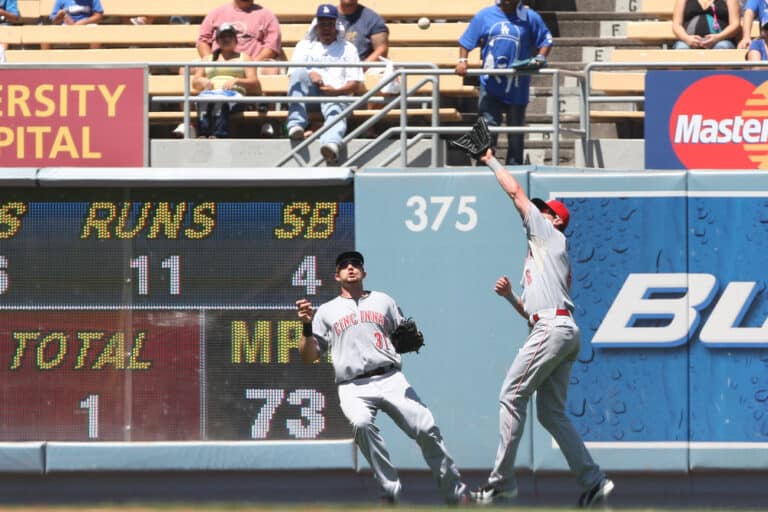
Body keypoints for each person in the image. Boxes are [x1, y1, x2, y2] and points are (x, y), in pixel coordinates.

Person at [452, 127, 614, 507]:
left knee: (510, 395)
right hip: (559, 328)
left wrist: (489, 158)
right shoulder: (539, 258)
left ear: (555, 220)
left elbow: (516, 194)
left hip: (554, 328)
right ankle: (593, 482)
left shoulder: (549, 235)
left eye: (545, 211)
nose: (537, 213)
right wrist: (511, 297)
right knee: (551, 414)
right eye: (540, 211)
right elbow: (530, 313)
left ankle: (501, 483)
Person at [296, 251, 469, 505]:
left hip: (390, 378)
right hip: (352, 385)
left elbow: (404, 335)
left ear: (364, 273)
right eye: (344, 266)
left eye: (356, 264)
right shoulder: (326, 311)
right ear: (337, 275)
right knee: (362, 424)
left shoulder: (383, 300)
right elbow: (308, 356)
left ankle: (455, 493)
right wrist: (307, 326)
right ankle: (390, 491)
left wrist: (409, 337)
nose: (351, 268)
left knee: (426, 428)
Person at [455, 0, 553, 166]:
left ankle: (515, 170)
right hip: (490, 85)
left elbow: (546, 40)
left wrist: (540, 58)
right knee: (487, 129)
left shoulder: (530, 17)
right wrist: (463, 60)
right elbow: (466, 41)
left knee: (516, 134)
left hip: (518, 86)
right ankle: (483, 170)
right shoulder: (485, 15)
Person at [286, 4, 363, 165]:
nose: (326, 28)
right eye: (322, 24)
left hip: (337, 96)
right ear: (316, 25)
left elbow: (355, 83)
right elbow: (293, 75)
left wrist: (335, 91)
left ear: (336, 25)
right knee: (299, 73)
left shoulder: (348, 49)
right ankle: (296, 125)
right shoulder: (304, 46)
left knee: (336, 104)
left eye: (329, 24)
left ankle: (331, 144)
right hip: (311, 98)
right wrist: (309, 72)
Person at [192, 23, 262, 138]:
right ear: (217, 41)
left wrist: (237, 81)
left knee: (221, 103)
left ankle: (219, 135)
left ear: (235, 40)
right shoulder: (207, 59)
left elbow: (254, 83)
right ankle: (203, 134)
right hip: (212, 93)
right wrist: (203, 81)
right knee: (203, 101)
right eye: (222, 37)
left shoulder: (244, 58)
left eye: (229, 36)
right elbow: (195, 82)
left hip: (234, 96)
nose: (226, 39)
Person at [671, 0, 740, 49]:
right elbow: (676, 25)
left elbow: (735, 24)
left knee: (722, 47)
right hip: (688, 41)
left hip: (721, 40)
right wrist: (687, 38)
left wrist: (718, 37)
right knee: (681, 48)